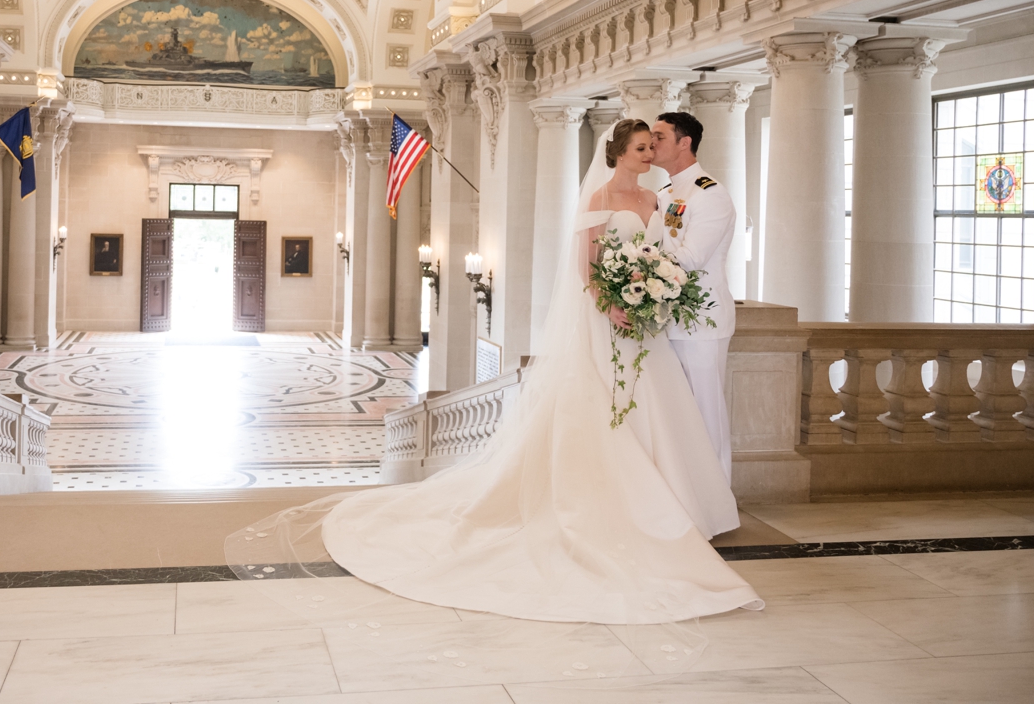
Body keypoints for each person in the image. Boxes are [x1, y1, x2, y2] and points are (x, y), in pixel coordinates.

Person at [301, 118, 760, 625]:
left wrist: (649, 288)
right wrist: (609, 302)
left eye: (654, 145)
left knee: (665, 408)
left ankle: (679, 504)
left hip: (651, 322)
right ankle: (613, 506)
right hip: (612, 314)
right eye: (642, 147)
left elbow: (671, 252)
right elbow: (585, 263)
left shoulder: (661, 199)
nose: (650, 153)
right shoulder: (600, 198)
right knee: (608, 406)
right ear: (619, 153)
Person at [652, 112, 736, 482]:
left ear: (684, 142)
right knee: (675, 415)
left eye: (659, 136)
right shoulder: (666, 194)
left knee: (706, 414)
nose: (651, 143)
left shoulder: (710, 193)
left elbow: (691, 257)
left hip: (702, 319)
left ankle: (716, 497)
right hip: (666, 317)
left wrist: (637, 265)